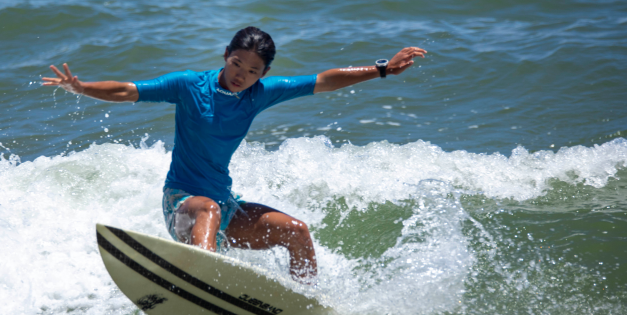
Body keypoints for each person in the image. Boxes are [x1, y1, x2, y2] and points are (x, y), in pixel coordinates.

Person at [43, 27, 426, 281]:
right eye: (236, 63)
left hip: (224, 209)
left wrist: (381, 69)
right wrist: (82, 88)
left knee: (296, 232)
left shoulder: (260, 94)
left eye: (253, 70)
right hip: (183, 205)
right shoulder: (189, 86)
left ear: (264, 73)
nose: (241, 74)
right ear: (226, 55)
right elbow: (129, 90)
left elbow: (323, 81)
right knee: (207, 208)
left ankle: (307, 304)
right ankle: (203, 281)